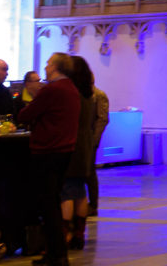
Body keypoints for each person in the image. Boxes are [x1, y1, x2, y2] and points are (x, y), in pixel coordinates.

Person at [16, 52, 79, 266]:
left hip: (47, 151)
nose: (45, 67)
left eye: (48, 64)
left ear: (56, 67)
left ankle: (56, 254)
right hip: (64, 151)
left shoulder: (52, 89)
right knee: (53, 200)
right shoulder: (71, 88)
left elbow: (25, 115)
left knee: (48, 204)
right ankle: (56, 252)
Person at [61, 56, 104, 251]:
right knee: (79, 191)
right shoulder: (89, 94)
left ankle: (65, 234)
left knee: (68, 191)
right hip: (84, 144)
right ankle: (79, 234)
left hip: (74, 145)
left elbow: (101, 119)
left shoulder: (74, 94)